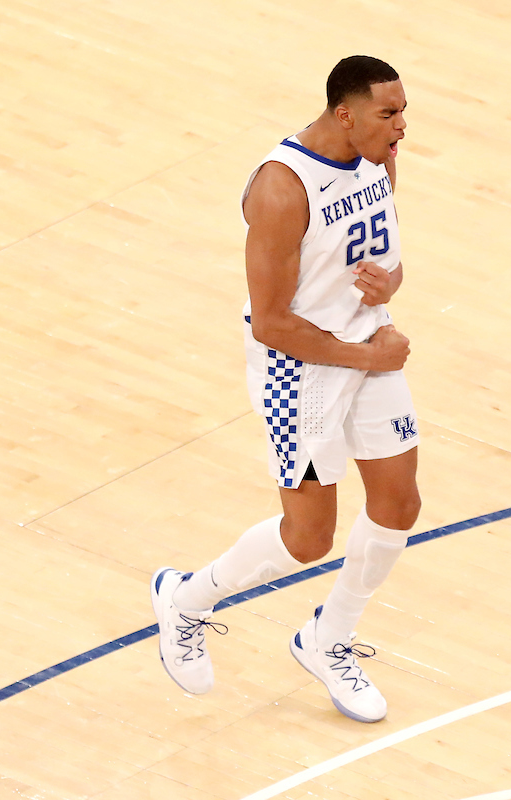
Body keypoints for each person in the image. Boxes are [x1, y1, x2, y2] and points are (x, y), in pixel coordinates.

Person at [151, 55, 420, 724]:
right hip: (298, 374)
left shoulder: (378, 156)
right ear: (344, 113)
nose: (402, 128)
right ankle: (187, 598)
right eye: (389, 114)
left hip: (366, 349)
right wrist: (365, 356)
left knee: (398, 502)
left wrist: (390, 284)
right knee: (309, 539)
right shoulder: (281, 188)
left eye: (403, 111)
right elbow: (272, 323)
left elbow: (385, 252)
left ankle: (327, 638)